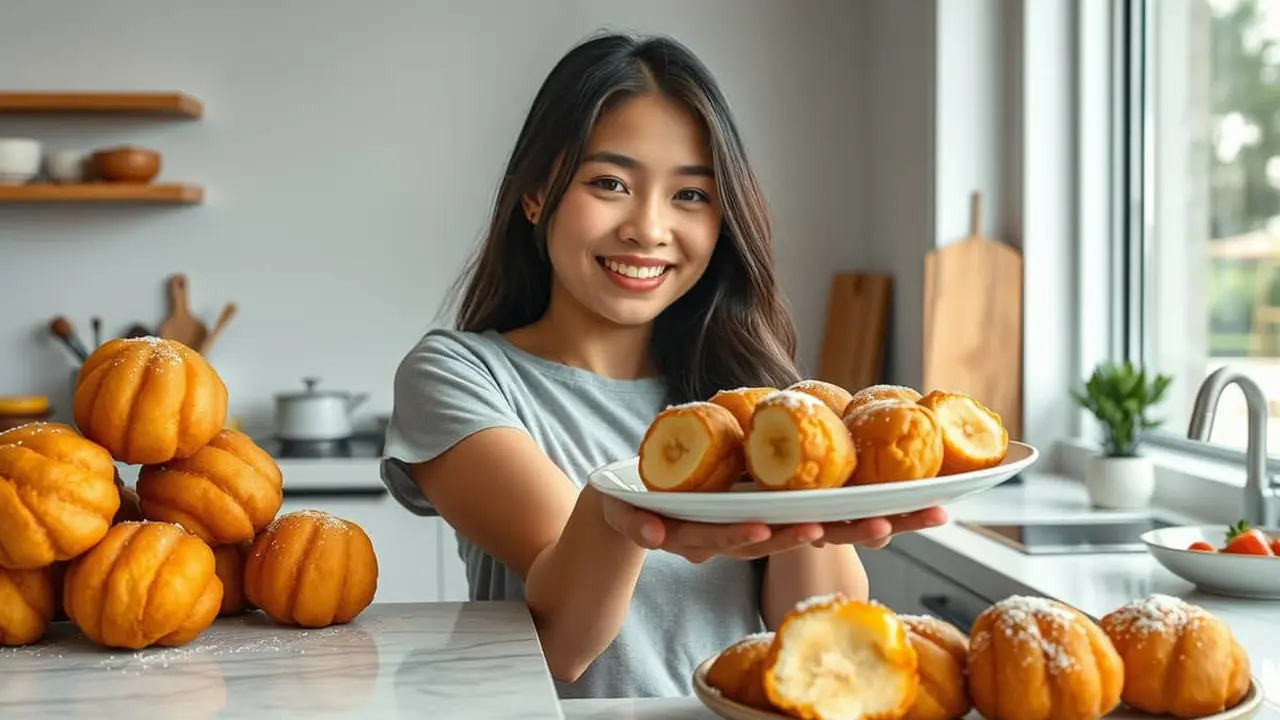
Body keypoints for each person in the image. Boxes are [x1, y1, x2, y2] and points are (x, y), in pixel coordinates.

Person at [379, 31, 947, 700]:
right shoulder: (460, 377)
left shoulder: (751, 395)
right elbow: (565, 640)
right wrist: (633, 509)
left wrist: (805, 488)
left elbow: (818, 636)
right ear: (536, 194)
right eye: (610, 183)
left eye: (690, 196)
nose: (648, 228)